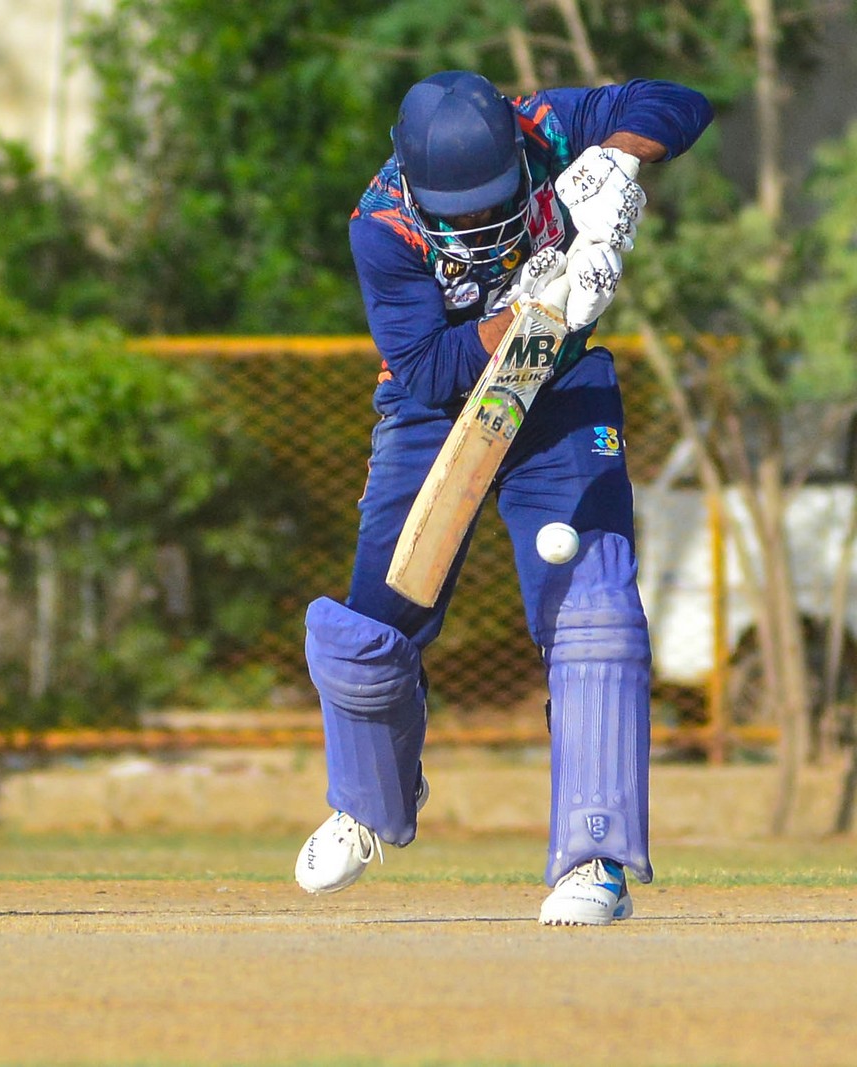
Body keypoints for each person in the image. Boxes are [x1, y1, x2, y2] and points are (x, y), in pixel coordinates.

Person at [294, 72, 713, 925]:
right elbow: (428, 368)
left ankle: (595, 859)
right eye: (463, 216)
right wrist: (539, 304)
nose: (484, 226)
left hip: (559, 397)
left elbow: (679, 101)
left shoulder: (548, 126)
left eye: (495, 205)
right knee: (375, 624)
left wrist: (618, 161)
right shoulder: (381, 225)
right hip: (434, 412)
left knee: (595, 614)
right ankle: (368, 803)